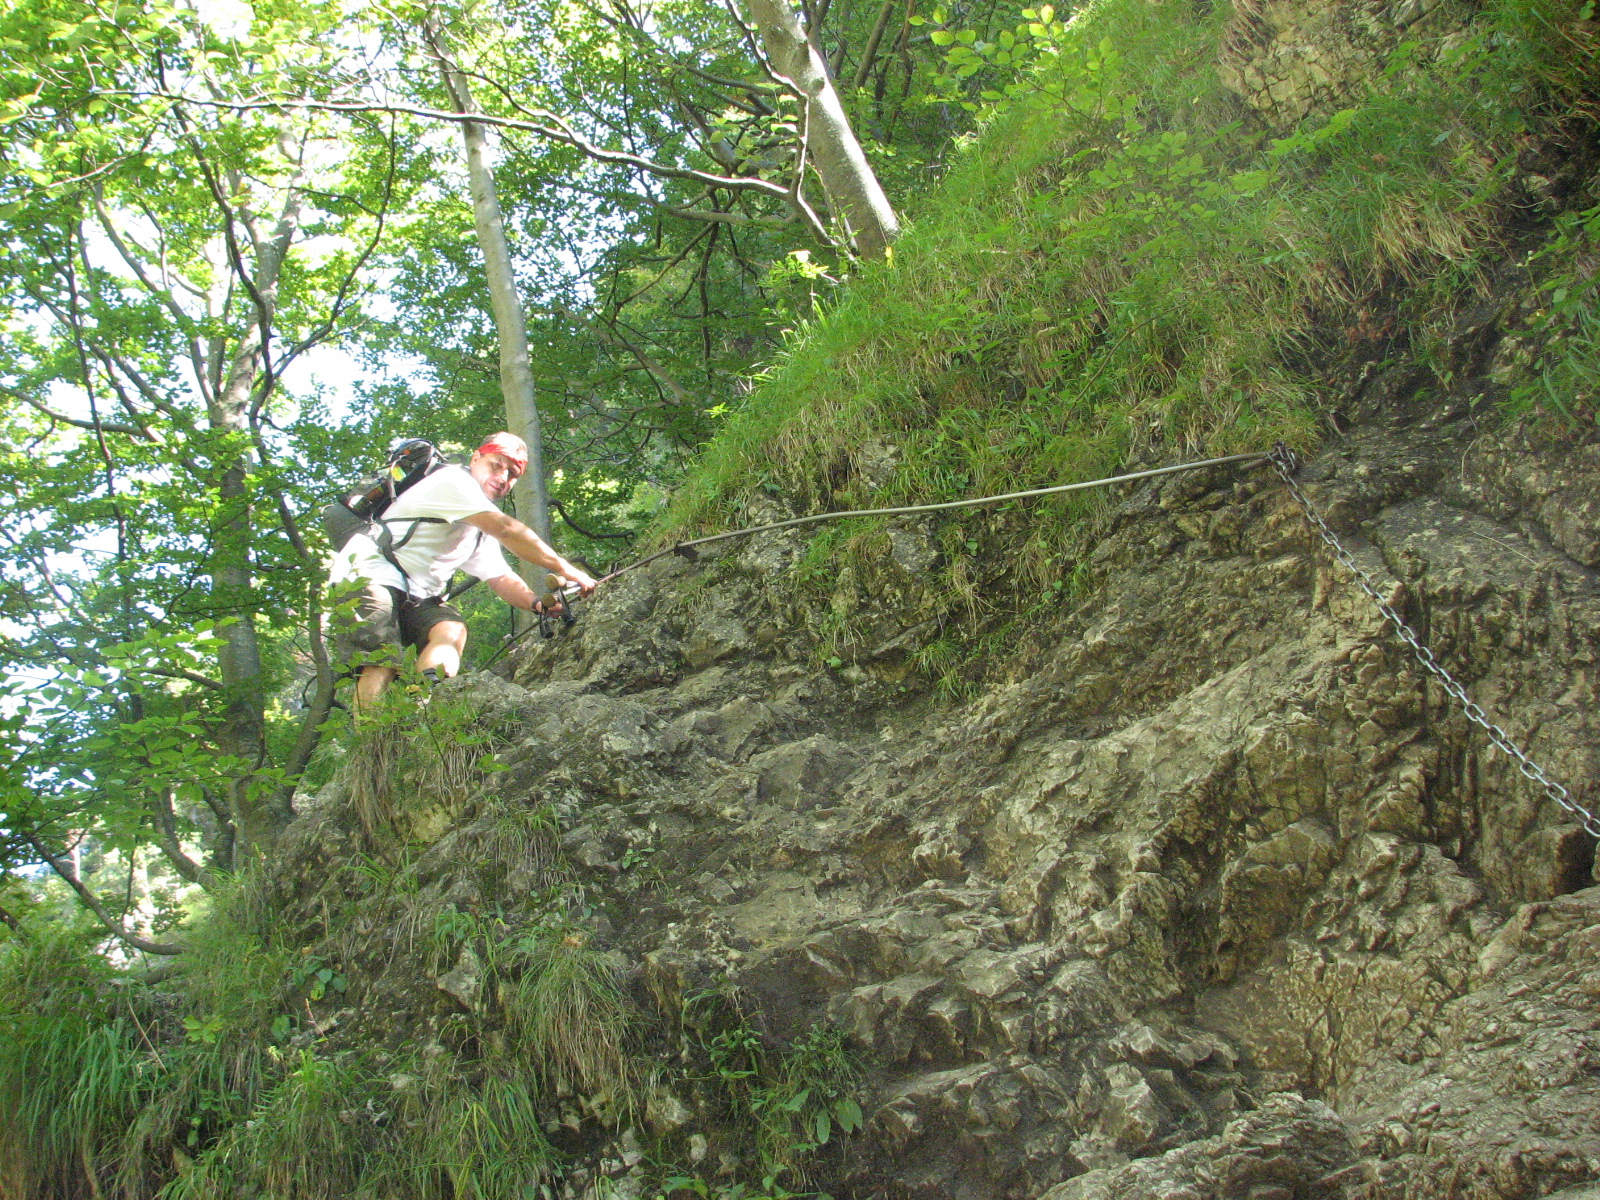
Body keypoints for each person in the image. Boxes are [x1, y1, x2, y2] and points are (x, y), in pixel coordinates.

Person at [330, 432, 596, 707]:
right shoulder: (452, 481)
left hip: (417, 594)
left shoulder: (476, 527)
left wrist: (537, 604)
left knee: (451, 630)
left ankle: (425, 705)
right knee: (380, 661)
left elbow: (500, 577)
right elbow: (507, 529)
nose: (503, 477)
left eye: (513, 474)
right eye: (496, 465)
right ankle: (374, 733)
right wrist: (567, 569)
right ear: (476, 458)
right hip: (367, 572)